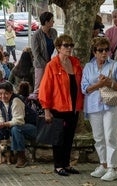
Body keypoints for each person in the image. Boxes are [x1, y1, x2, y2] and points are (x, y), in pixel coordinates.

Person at [38, 34, 84, 176]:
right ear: (58, 47)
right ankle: (58, 166)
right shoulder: (52, 65)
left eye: (71, 45)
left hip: (73, 108)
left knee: (69, 137)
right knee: (58, 138)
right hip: (58, 108)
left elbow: (81, 84)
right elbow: (45, 89)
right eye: (66, 45)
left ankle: (66, 164)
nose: (69, 48)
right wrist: (46, 110)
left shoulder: (75, 62)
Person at [81, 37, 117, 181]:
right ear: (94, 52)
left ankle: (113, 168)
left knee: (110, 136)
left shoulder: (116, 65)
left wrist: (110, 83)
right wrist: (99, 84)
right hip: (93, 105)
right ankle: (103, 164)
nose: (104, 53)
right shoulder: (88, 67)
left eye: (107, 50)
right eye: (100, 50)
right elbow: (84, 89)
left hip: (111, 105)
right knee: (98, 137)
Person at [0, 81, 37, 168]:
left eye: (6, 93)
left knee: (16, 129)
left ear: (11, 93)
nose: (3, 96)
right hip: (13, 124)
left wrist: (5, 124)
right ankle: (0, 152)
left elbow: (19, 121)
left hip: (30, 127)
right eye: (0, 94)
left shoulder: (16, 101)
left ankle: (21, 156)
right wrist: (1, 123)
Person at [31, 11, 58, 99]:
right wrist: (46, 65)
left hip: (53, 63)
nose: (53, 22)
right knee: (39, 86)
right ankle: (37, 104)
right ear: (46, 22)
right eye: (51, 20)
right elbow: (36, 54)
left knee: (53, 85)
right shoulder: (36, 35)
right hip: (41, 65)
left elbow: (57, 46)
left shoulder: (54, 32)